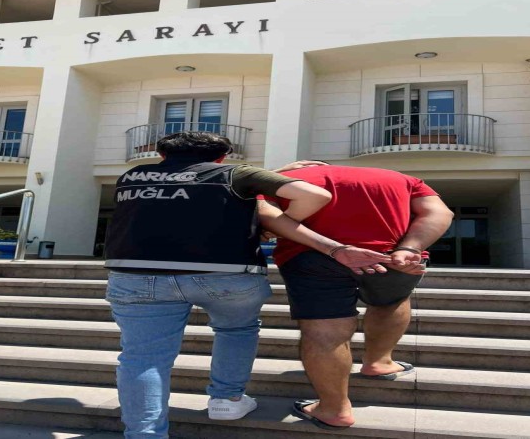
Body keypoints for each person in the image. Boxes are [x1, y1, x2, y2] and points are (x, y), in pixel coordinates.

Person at [104, 132, 388, 439]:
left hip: (136, 275)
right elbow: (314, 195)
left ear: (162, 155)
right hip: (226, 273)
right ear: (222, 157)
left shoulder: (132, 176)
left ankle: (144, 434)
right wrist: (274, 225)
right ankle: (226, 400)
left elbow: (190, 184)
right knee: (236, 330)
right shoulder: (236, 173)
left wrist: (265, 176)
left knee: (144, 358)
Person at [258, 161, 454, 430]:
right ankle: (379, 363)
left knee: (325, 329)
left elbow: (268, 218)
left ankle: (334, 409)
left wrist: (273, 176)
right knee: (391, 303)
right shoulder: (401, 177)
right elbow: (439, 212)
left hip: (312, 256)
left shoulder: (278, 180)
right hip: (391, 255)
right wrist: (411, 248)